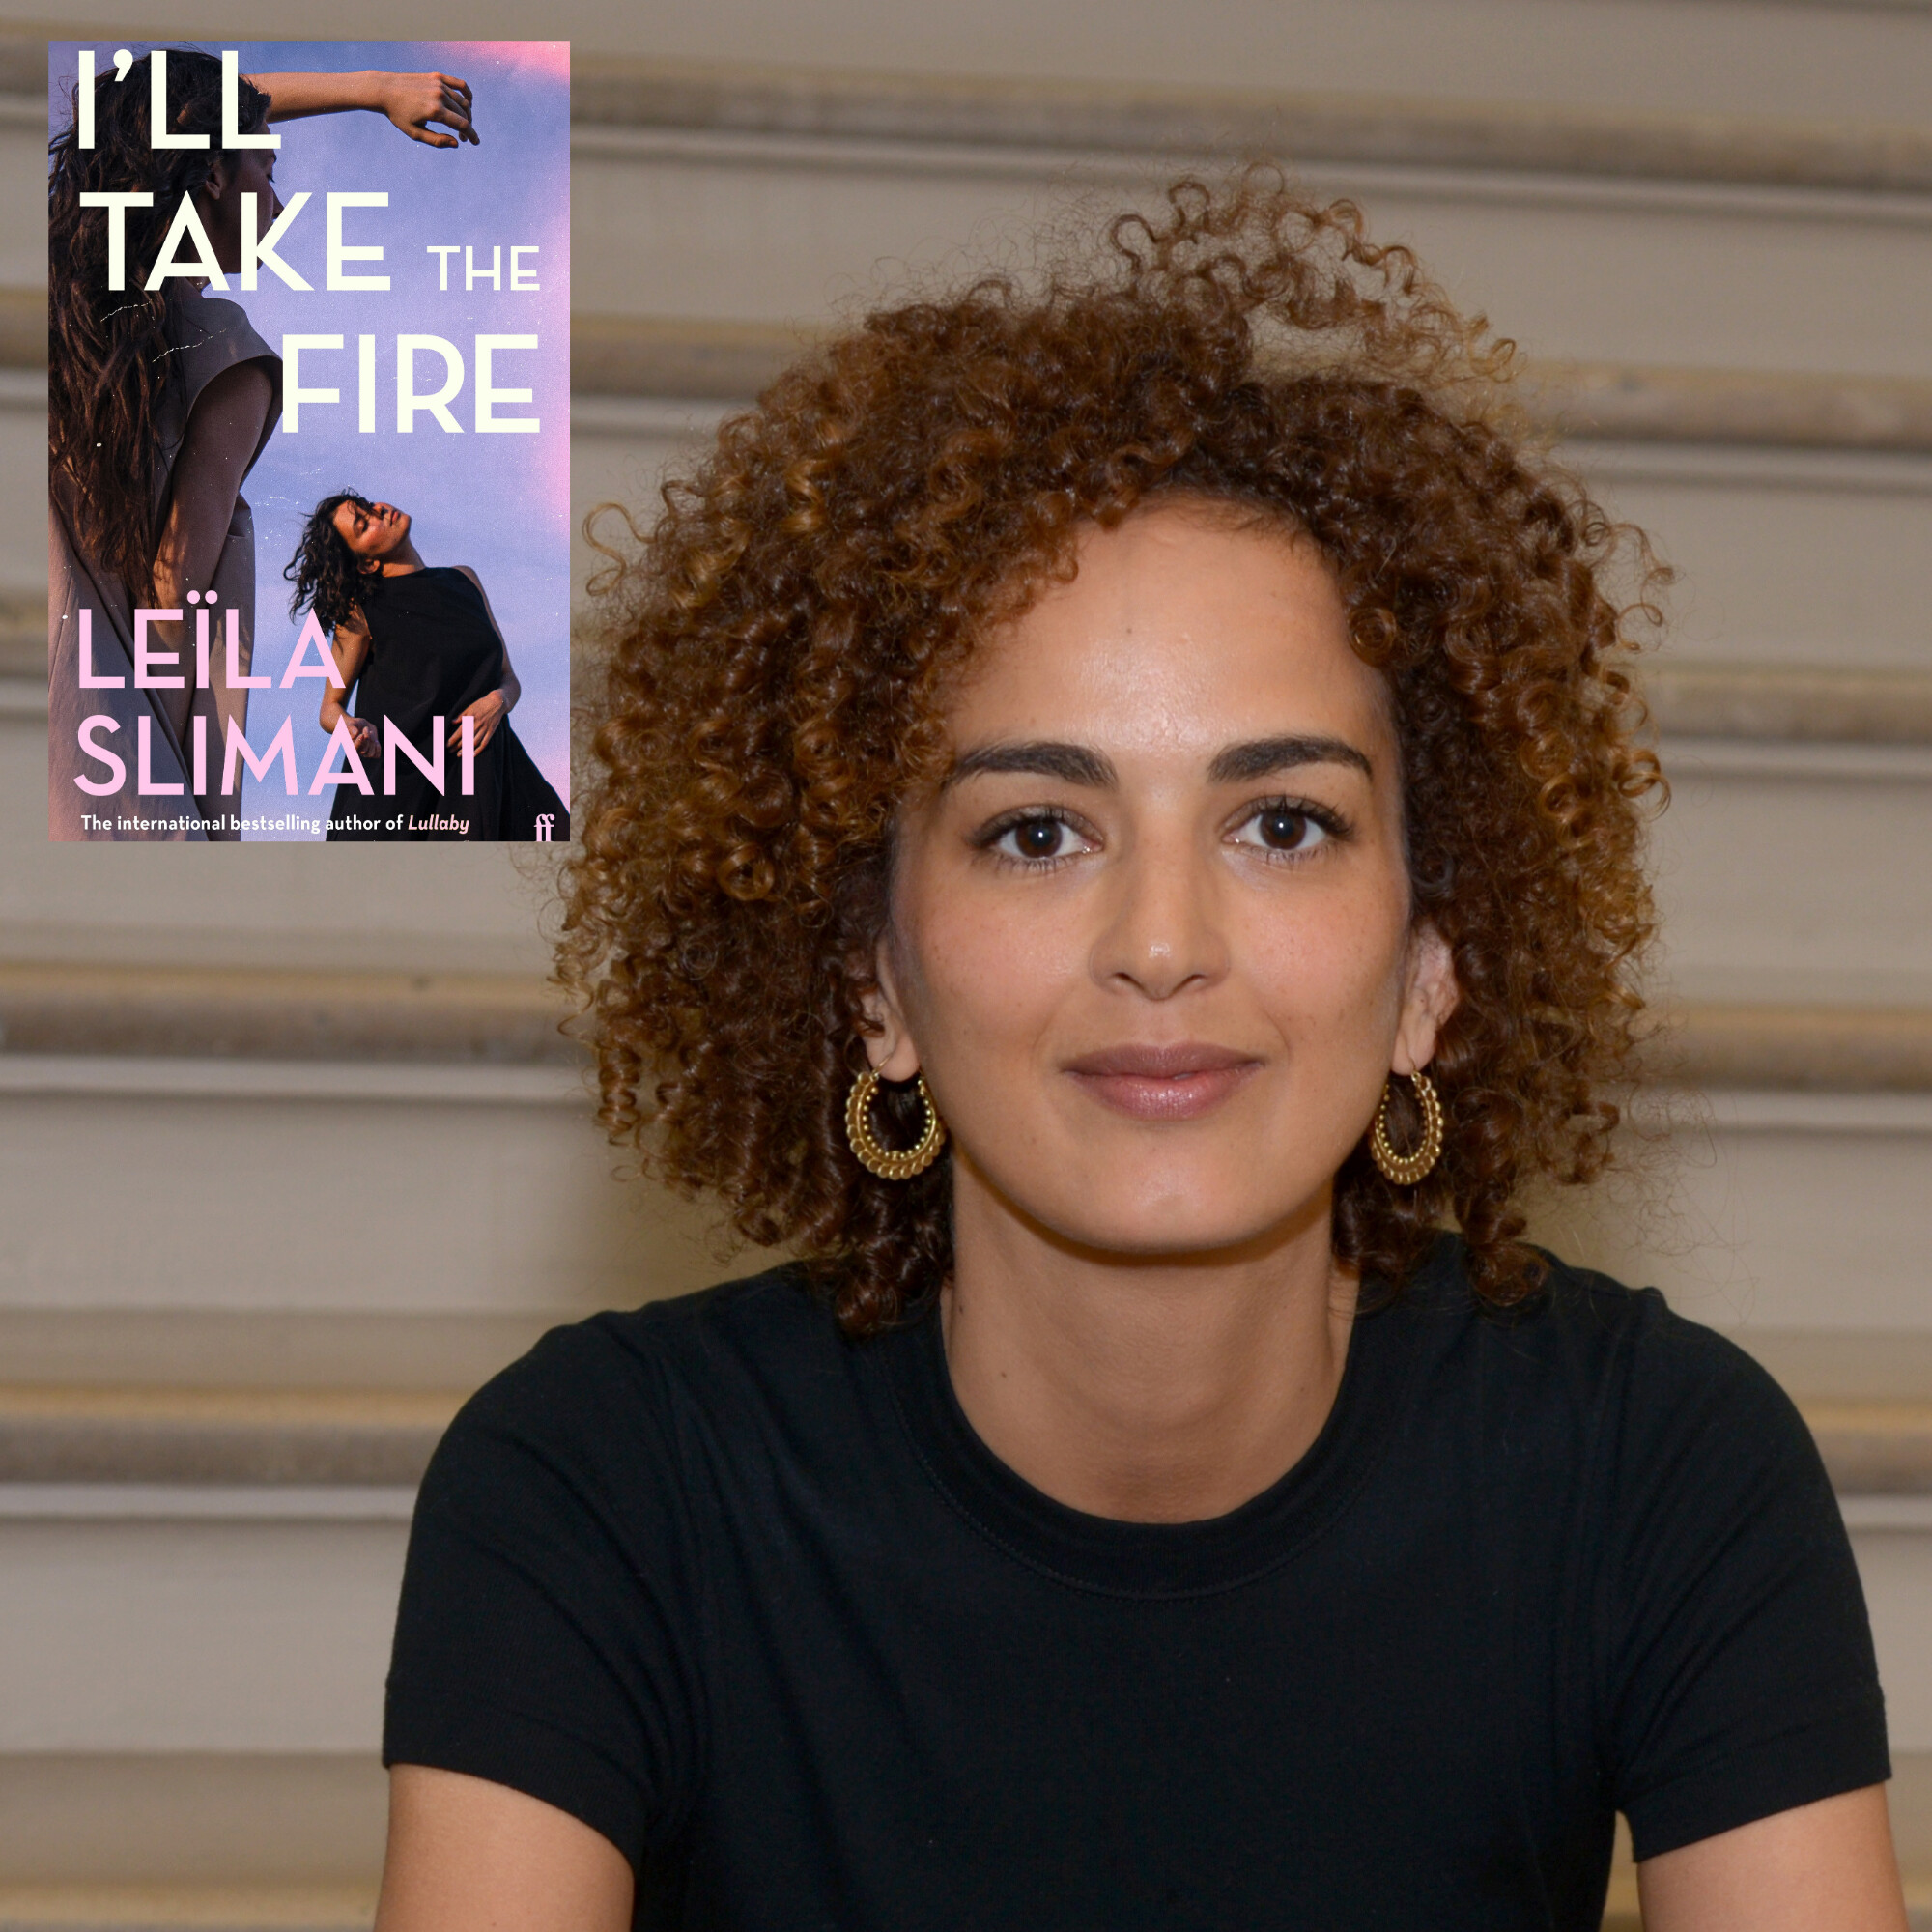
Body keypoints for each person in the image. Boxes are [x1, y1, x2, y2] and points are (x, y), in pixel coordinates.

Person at [374, 177, 1908, 1930]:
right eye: (1036, 830)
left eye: (1284, 824)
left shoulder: (1658, 1469)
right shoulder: (603, 1484)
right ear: (870, 972)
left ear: (1431, 967)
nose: (1163, 944)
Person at [47, 48, 479, 839]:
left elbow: (166, 114)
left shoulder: (61, 330)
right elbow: (170, 611)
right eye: (266, 168)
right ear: (209, 174)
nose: (277, 203)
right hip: (109, 768)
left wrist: (373, 89)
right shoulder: (221, 352)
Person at [284, 493, 568, 842]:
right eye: (363, 524)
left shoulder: (465, 580)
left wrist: (498, 702)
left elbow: (509, 679)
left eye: (370, 507)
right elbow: (329, 709)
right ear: (366, 564)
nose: (380, 512)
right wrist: (352, 728)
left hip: (484, 769)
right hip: (399, 788)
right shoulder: (360, 612)